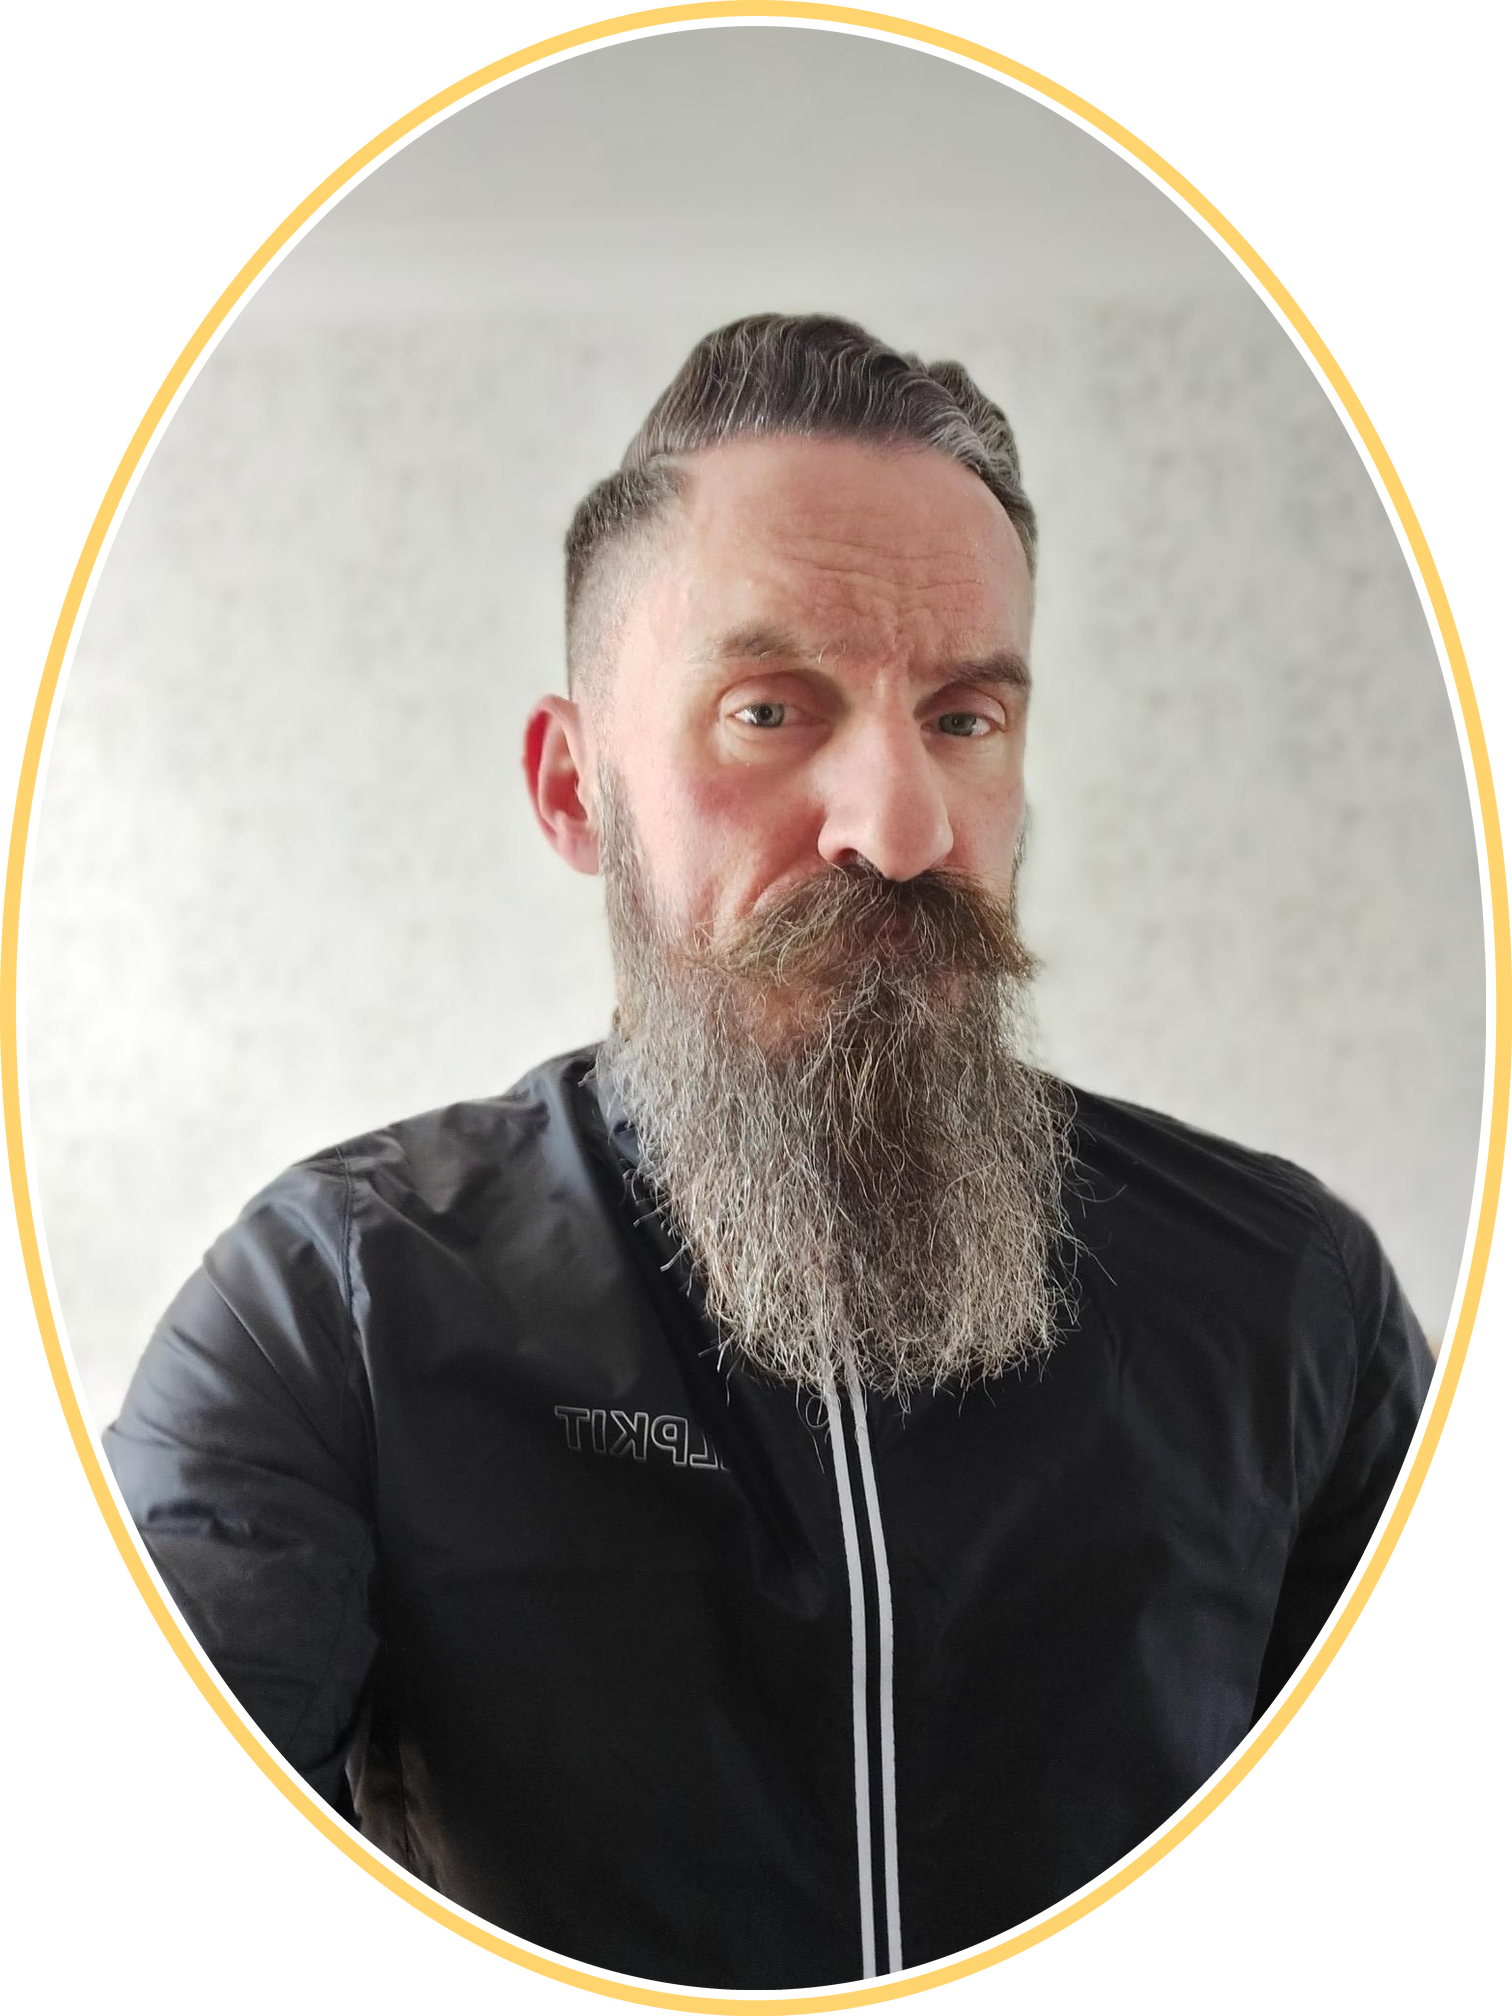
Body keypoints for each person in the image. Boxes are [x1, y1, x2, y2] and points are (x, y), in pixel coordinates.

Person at [104, 312, 1433, 1991]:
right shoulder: (334, 1312)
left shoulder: (1289, 1300)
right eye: (768, 709)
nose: (903, 826)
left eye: (965, 718)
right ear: (575, 791)